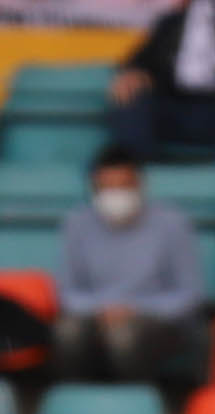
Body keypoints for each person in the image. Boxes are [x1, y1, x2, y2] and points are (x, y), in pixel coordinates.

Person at [105, 0, 215, 203]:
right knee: (131, 97)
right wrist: (135, 73)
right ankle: (136, 185)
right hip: (174, 107)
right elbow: (140, 61)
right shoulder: (171, 21)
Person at [55, 147, 206, 387]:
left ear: (140, 185)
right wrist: (101, 309)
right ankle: (77, 406)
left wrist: (135, 310)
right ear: (94, 188)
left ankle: (133, 410)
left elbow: (189, 295)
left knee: (123, 338)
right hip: (96, 316)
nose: (116, 194)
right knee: (67, 333)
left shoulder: (173, 223)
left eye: (123, 186)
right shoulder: (77, 223)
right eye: (107, 187)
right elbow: (67, 293)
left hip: (157, 322)